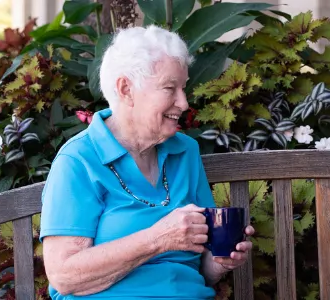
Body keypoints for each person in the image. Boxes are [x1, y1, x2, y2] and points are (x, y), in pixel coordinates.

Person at [39, 26, 254, 299]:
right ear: (126, 89)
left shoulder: (185, 151)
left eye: (183, 88)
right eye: (169, 88)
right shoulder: (79, 160)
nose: (184, 102)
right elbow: (65, 276)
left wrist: (221, 261)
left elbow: (200, 270)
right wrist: (159, 238)